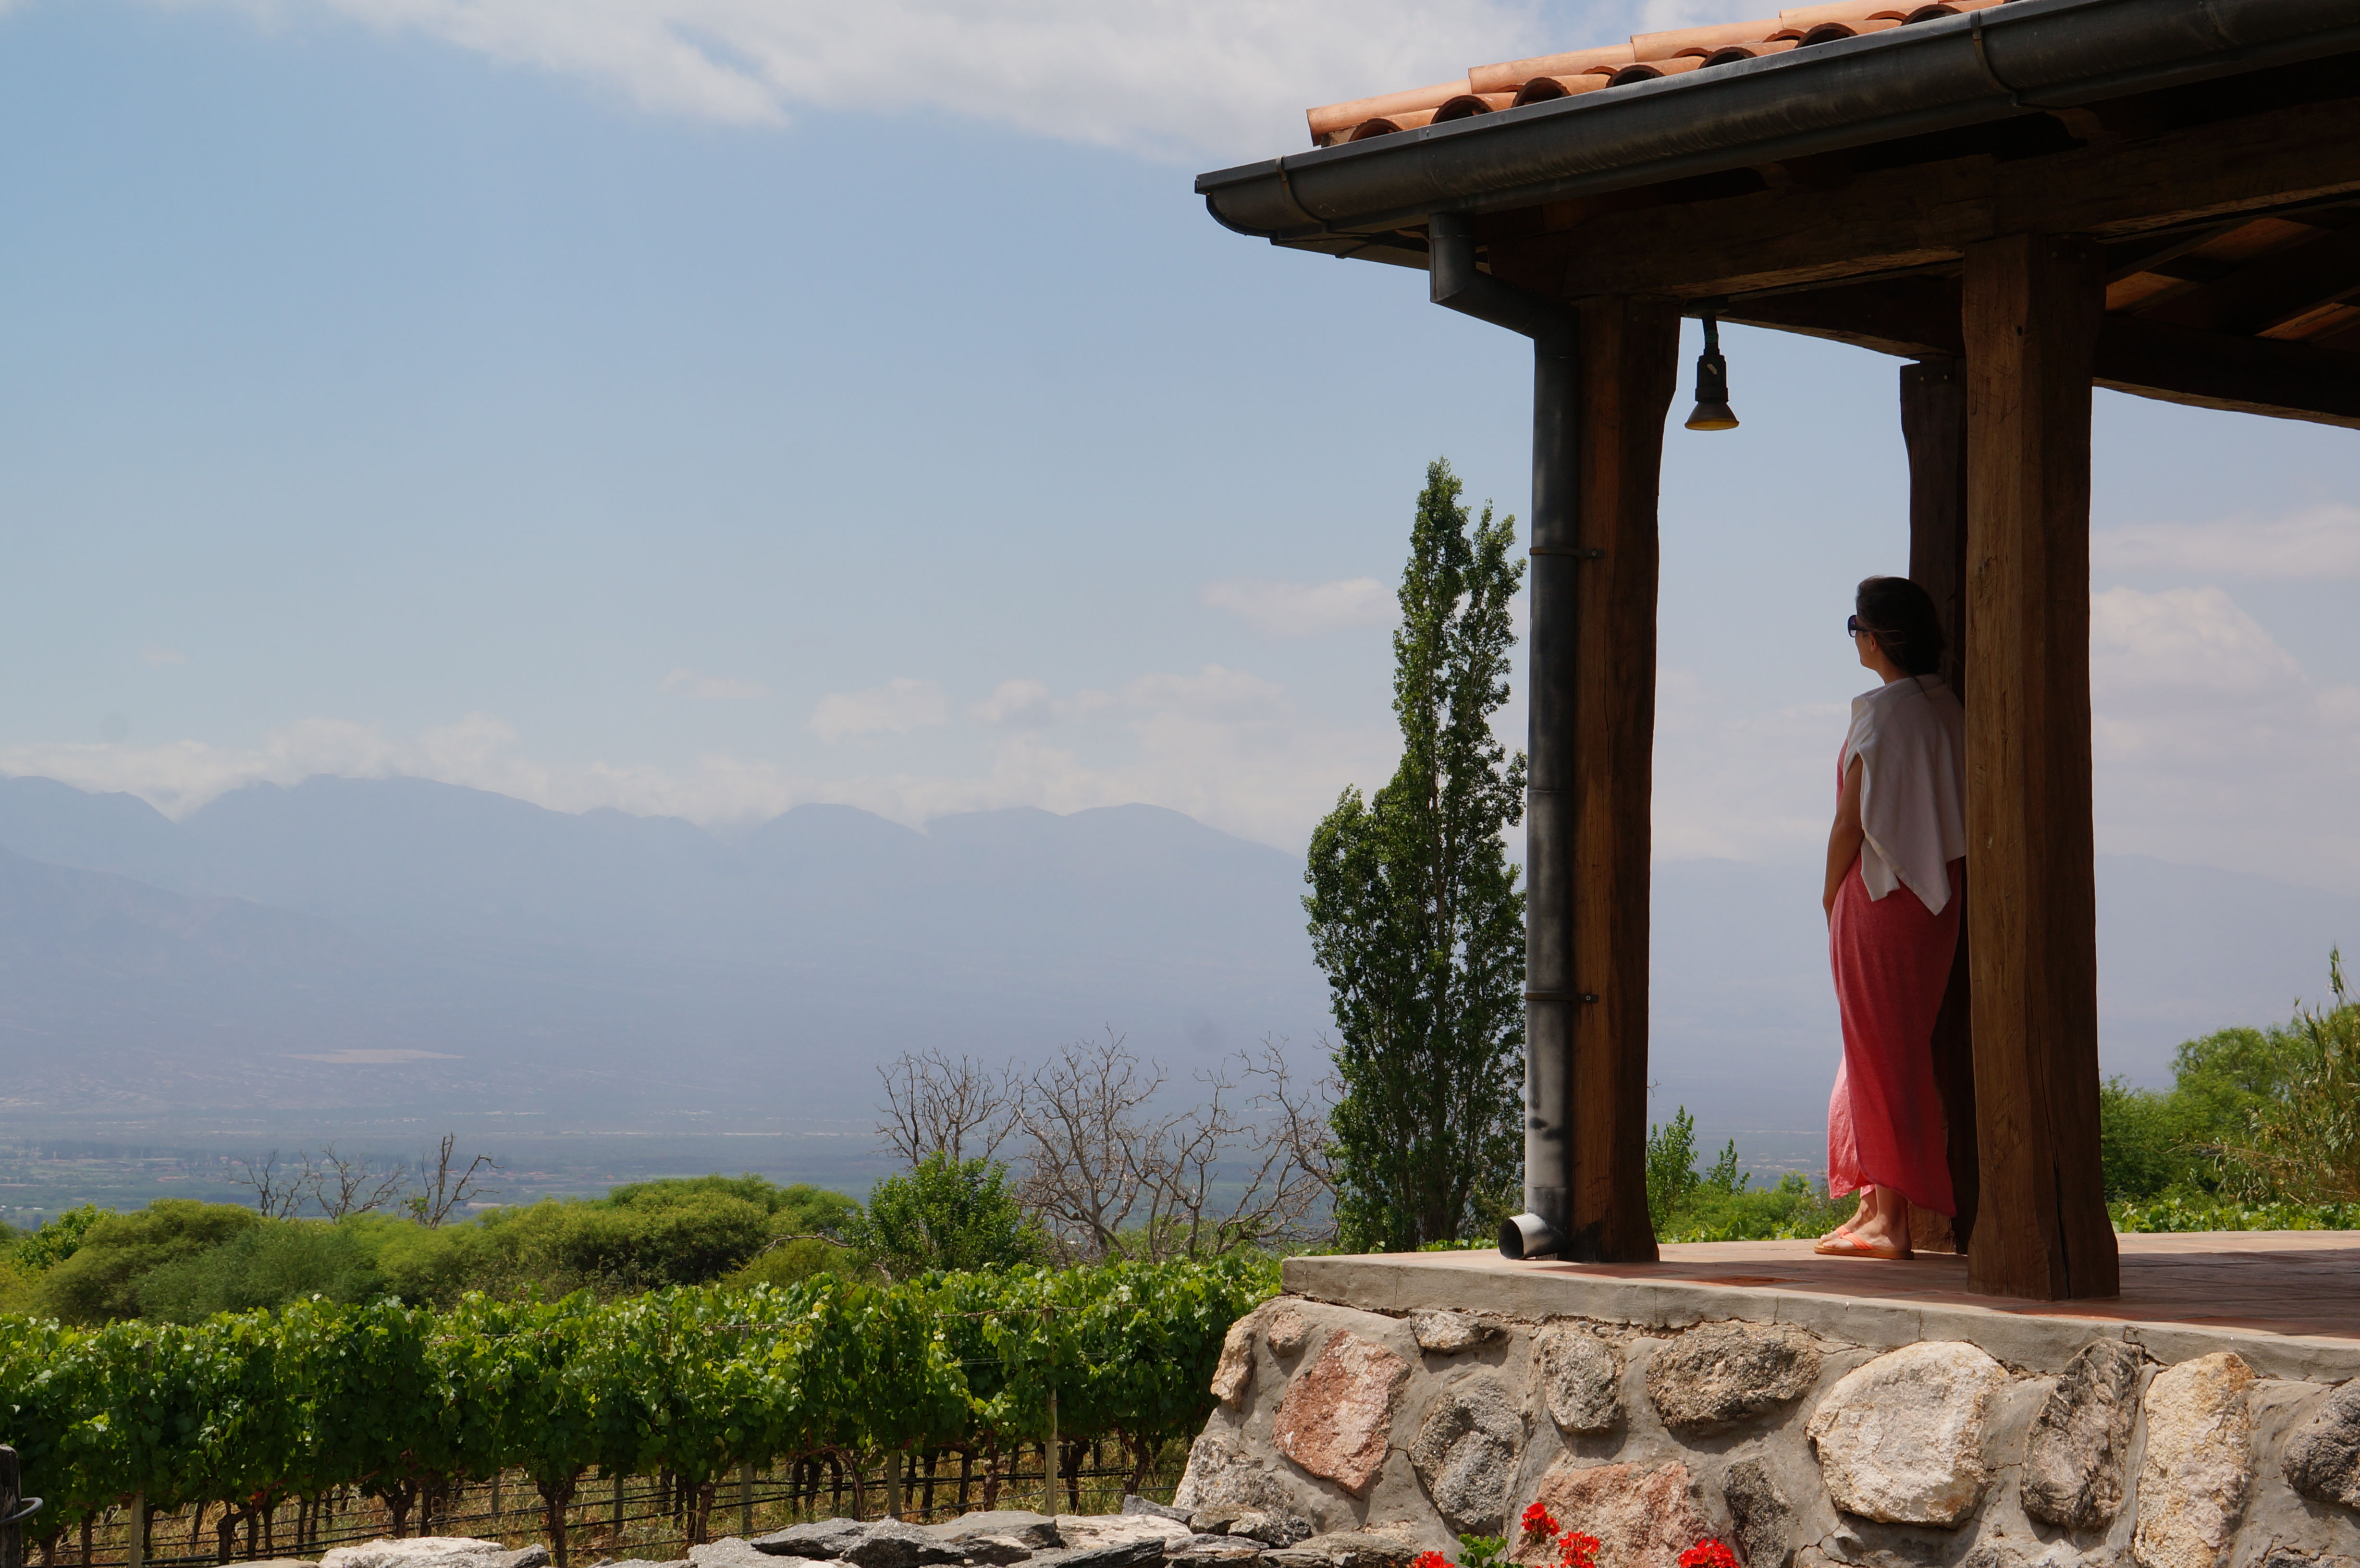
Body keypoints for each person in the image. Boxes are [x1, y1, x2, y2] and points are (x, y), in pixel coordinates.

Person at [1815, 576, 1966, 1261]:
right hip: (1938, 897)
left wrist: (1827, 893)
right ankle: (1878, 1204)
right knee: (1891, 1048)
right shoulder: (1947, 709)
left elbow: (1850, 822)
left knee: (1879, 1052)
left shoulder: (1880, 716)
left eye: (1855, 627)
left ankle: (1891, 1224)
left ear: (1875, 638)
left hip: (1877, 896)